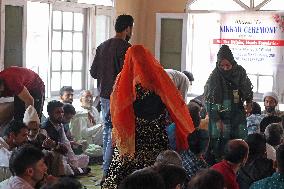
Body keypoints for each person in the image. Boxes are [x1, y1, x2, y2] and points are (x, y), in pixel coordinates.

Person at [102, 45, 194, 188]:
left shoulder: (124, 79)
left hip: (133, 138)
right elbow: (173, 104)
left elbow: (117, 110)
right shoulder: (159, 78)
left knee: (125, 172)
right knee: (158, 172)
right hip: (156, 134)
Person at [90, 14, 134, 180]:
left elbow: (94, 73)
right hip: (118, 98)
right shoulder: (126, 48)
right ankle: (109, 173)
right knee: (115, 135)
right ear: (128, 28)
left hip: (103, 96)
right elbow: (130, 76)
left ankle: (105, 171)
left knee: (108, 133)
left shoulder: (102, 46)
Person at [204, 45, 253, 161]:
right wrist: (216, 119)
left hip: (237, 112)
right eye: (222, 65)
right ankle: (220, 165)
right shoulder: (214, 77)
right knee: (220, 143)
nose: (225, 68)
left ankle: (239, 164)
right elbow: (209, 101)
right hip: (219, 115)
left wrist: (249, 102)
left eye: (228, 65)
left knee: (239, 140)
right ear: (218, 64)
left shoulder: (239, 72)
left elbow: (247, 89)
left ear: (232, 63)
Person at [42, 100, 89, 176]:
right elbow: (51, 148)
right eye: (58, 112)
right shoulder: (45, 128)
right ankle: (75, 170)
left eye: (62, 112)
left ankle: (75, 168)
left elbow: (66, 142)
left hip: (64, 153)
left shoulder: (59, 124)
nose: (61, 115)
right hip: (54, 158)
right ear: (49, 113)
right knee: (61, 159)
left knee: (85, 158)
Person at [69, 90, 103, 158]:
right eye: (87, 97)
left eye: (91, 97)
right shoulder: (80, 112)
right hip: (87, 139)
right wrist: (100, 126)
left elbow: (100, 123)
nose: (90, 99)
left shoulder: (93, 109)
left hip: (96, 136)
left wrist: (100, 126)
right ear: (81, 99)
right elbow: (84, 133)